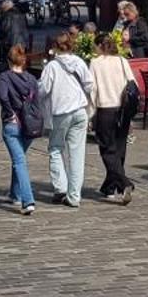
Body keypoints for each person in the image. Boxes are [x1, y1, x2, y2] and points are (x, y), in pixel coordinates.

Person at [38, 28, 92, 208]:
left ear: (55, 47)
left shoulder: (52, 66)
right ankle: (74, 196)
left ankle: (60, 187)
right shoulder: (79, 62)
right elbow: (89, 84)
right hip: (80, 110)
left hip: (61, 112)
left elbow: (43, 89)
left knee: (55, 148)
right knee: (77, 154)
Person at [0, 44, 45, 215]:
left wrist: (9, 113)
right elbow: (37, 102)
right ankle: (14, 194)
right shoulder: (31, 79)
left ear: (9, 61)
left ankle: (28, 200)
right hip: (29, 125)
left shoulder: (4, 77)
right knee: (19, 159)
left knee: (19, 162)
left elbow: (2, 96)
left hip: (12, 124)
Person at [88, 41, 138, 204]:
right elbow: (133, 84)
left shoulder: (95, 63)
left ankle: (124, 183)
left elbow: (92, 88)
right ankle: (109, 187)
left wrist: (90, 113)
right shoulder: (122, 61)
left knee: (107, 150)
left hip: (105, 109)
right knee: (119, 148)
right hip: (122, 109)